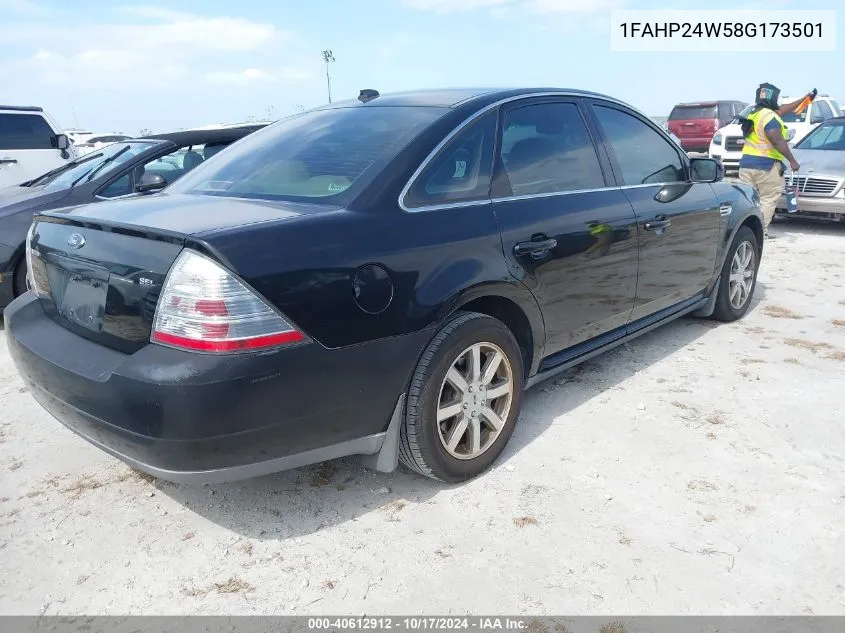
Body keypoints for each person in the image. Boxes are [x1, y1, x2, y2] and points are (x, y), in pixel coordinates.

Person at [737, 83, 815, 239]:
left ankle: (746, 231)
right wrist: (792, 161)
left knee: (749, 200)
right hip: (766, 166)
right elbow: (777, 141)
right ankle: (761, 233)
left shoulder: (754, 114)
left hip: (746, 165)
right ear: (773, 98)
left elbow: (784, 109)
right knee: (768, 198)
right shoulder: (770, 117)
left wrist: (804, 99)